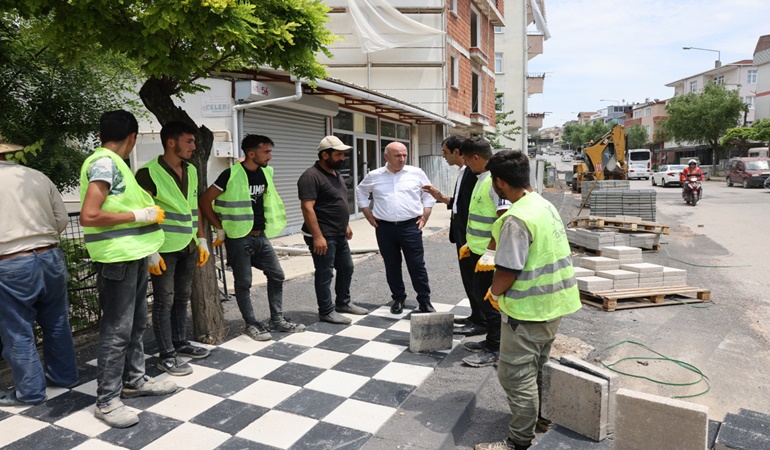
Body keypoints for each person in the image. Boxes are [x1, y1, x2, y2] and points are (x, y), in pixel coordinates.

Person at [475, 150, 581, 450]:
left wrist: (495, 293)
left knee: (515, 375)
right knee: (538, 366)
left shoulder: (516, 218)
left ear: (500, 182)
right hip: (554, 304)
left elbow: (508, 270)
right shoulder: (543, 205)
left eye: (493, 181)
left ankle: (518, 441)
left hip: (528, 310)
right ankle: (542, 418)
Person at [79, 110, 177, 428]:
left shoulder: (115, 164)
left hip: (131, 254)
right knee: (117, 330)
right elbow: (89, 215)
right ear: (133, 137)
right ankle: (107, 401)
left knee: (134, 324)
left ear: (100, 135)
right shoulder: (105, 163)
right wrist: (140, 216)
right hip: (116, 257)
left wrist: (148, 245)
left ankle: (134, 380)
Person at [199, 134, 305, 342]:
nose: (270, 156)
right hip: (239, 237)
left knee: (277, 275)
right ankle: (251, 324)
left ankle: (277, 319)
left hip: (260, 235)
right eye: (266, 152)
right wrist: (219, 228)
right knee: (244, 282)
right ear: (251, 153)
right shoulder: (230, 174)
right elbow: (204, 201)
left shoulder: (265, 172)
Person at [0, 136, 79, 407]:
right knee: (57, 322)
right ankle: (65, 377)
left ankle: (31, 392)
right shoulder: (35, 176)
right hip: (50, 255)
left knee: (17, 330)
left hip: (10, 261)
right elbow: (61, 219)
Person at [135, 121, 211, 377]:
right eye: (189, 141)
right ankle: (166, 355)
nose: (194, 146)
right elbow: (143, 214)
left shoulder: (191, 169)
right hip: (163, 248)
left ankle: (180, 342)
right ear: (171, 142)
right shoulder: (147, 173)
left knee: (182, 296)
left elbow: (194, 206)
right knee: (164, 301)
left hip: (188, 244)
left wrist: (201, 239)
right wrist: (150, 251)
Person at [356, 142, 436, 314]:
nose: (402, 159)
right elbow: (361, 191)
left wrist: (425, 214)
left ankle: (424, 300)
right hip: (385, 228)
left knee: (417, 265)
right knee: (392, 265)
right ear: (386, 156)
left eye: (404, 155)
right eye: (397, 155)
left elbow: (429, 194)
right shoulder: (374, 175)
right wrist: (368, 214)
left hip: (411, 226)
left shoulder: (416, 173)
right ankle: (398, 298)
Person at [297, 136, 369, 324]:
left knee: (346, 267)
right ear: (324, 155)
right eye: (338, 154)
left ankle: (343, 303)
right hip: (323, 234)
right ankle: (326, 311)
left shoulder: (336, 174)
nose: (343, 158)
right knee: (325, 272)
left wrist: (346, 224)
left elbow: (339, 201)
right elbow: (307, 207)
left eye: (343, 154)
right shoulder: (310, 176)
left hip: (338, 232)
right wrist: (317, 236)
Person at [422, 135, 485, 335]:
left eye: (445, 152)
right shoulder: (464, 172)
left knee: (475, 278)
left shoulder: (475, 174)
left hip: (471, 236)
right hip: (462, 234)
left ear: (457, 152)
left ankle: (482, 321)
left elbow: (473, 206)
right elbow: (460, 203)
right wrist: (440, 197)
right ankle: (476, 315)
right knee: (468, 278)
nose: (443, 156)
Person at [457, 137, 510, 368]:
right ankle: (491, 340)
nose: (466, 165)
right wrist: (470, 245)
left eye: (467, 160)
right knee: (481, 298)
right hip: (478, 252)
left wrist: (491, 251)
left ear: (476, 157)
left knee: (490, 301)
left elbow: (504, 219)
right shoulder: (482, 179)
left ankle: (496, 348)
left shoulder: (494, 182)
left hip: (489, 257)